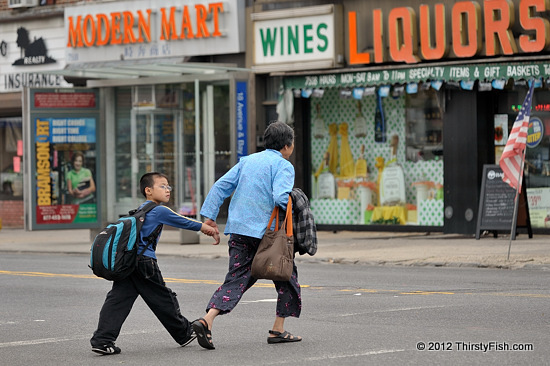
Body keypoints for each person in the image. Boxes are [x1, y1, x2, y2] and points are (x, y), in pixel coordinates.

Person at [193, 121, 302, 350]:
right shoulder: (283, 165)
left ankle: (208, 320)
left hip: (239, 230)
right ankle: (278, 329)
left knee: (236, 277)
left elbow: (221, 186)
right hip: (267, 235)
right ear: (287, 145)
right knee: (286, 276)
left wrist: (210, 216)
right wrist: (298, 204)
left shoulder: (247, 161)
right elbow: (281, 197)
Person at [90, 172, 218, 355]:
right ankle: (184, 332)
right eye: (162, 186)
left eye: (168, 186)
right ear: (148, 190)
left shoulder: (140, 210)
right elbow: (184, 221)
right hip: (144, 262)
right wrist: (207, 228)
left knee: (118, 300)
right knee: (163, 298)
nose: (167, 190)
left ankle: (102, 340)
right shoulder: (159, 210)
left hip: (130, 262)